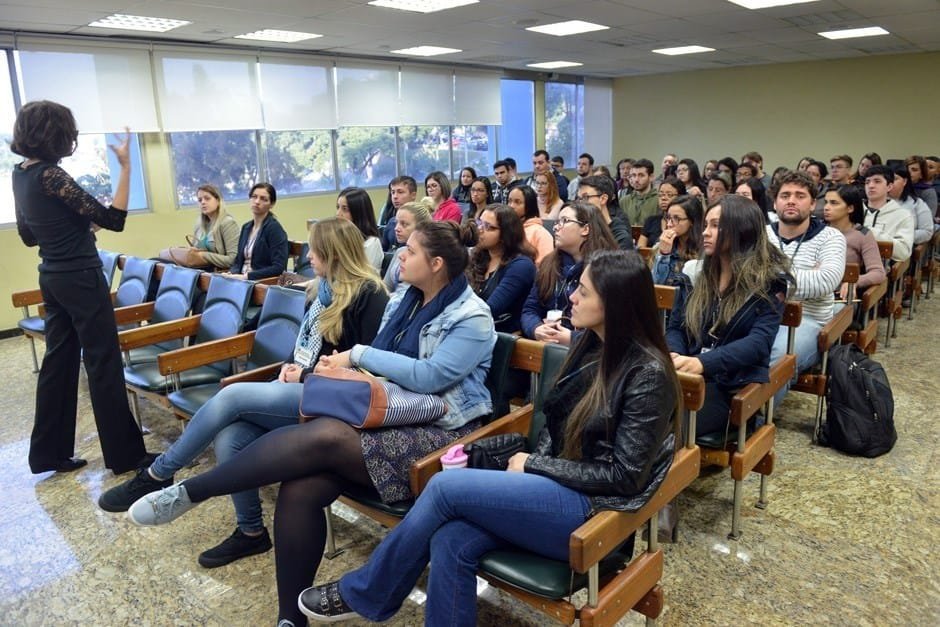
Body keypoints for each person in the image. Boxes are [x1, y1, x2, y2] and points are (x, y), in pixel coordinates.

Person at [126, 221, 497, 627]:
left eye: (410, 251)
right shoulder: (403, 301)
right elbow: (384, 374)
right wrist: (345, 370)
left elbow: (430, 378)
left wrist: (357, 355)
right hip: (387, 416)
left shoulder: (473, 316)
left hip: (441, 437)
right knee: (299, 488)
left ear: (437, 263)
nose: (400, 257)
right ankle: (290, 620)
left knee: (325, 435)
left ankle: (192, 490)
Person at [295, 249, 680, 626]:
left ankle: (367, 592)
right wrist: (535, 470)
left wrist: (534, 465)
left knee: (444, 488)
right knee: (450, 539)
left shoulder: (647, 373)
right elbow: (557, 424)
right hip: (558, 489)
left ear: (615, 304)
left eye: (584, 291)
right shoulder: (590, 346)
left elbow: (625, 476)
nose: (572, 298)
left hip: (594, 511)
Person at [98, 218, 389, 566]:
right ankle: (251, 532)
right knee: (231, 437)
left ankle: (158, 474)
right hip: (299, 386)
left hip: (331, 400)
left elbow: (366, 368)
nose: (309, 256)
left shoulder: (370, 295)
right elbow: (302, 348)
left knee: (232, 397)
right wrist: (289, 369)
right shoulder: (321, 289)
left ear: (335, 254)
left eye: (315, 250)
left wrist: (305, 374)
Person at [12, 100, 149, 475]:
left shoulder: (20, 174)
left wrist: (74, 228)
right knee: (103, 362)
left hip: (51, 277)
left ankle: (48, 454)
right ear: (56, 135)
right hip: (82, 278)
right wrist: (126, 166)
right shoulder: (51, 175)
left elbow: (29, 235)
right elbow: (113, 219)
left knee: (58, 363)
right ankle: (126, 456)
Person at [667, 195, 791, 438]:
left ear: (741, 230)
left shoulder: (769, 283)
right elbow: (676, 327)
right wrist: (675, 354)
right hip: (686, 374)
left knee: (663, 426)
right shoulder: (695, 272)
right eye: (706, 225)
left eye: (716, 226)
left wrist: (704, 363)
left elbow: (758, 343)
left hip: (730, 385)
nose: (705, 232)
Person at [767, 171, 846, 399]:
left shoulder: (831, 237)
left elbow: (825, 280)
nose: (791, 200)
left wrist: (770, 278)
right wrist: (804, 275)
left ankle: (756, 416)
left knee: (778, 357)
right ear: (775, 203)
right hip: (760, 314)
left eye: (800, 196)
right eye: (785, 195)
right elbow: (743, 275)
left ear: (812, 204)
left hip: (807, 321)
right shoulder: (761, 234)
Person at [521, 201, 618, 346]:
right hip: (548, 345)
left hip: (592, 352)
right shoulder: (549, 263)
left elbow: (614, 327)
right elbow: (530, 309)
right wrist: (536, 328)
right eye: (557, 222)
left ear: (585, 229)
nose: (555, 227)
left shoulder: (608, 268)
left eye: (564, 221)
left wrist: (572, 338)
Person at [469, 204, 537, 333]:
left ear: (506, 234)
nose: (480, 230)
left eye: (488, 227)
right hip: (474, 329)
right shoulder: (477, 257)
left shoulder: (521, 266)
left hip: (504, 336)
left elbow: (491, 309)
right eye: (479, 223)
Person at [822, 185, 886, 299]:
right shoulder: (817, 230)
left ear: (850, 208)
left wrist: (855, 281)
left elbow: (878, 273)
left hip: (840, 295)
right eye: (826, 202)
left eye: (834, 203)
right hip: (812, 290)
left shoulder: (862, 234)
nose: (826, 207)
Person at [225, 183, 288, 281]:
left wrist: (246, 277)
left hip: (260, 282)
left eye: (263, 199)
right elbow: (238, 261)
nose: (257, 202)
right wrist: (231, 273)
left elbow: (279, 267)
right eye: (254, 197)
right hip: (241, 279)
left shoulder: (274, 229)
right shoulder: (246, 227)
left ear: (271, 204)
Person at [863, 165, 914, 262]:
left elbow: (904, 252)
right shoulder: (852, 211)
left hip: (883, 267)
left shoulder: (903, 215)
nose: (871, 186)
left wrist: (869, 232)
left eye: (877, 181)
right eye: (867, 182)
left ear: (889, 186)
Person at [652, 194, 704, 287]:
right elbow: (657, 285)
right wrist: (664, 255)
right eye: (668, 217)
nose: (669, 224)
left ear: (692, 221)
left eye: (676, 218)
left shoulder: (704, 249)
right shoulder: (661, 245)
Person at [384, 199, 433, 294]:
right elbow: (386, 286)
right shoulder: (400, 252)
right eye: (397, 223)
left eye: (404, 224)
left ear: (421, 227)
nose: (396, 228)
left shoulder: (424, 257)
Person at [188, 184, 240, 270]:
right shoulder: (199, 225)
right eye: (200, 200)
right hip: (201, 271)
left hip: (220, 273)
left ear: (218, 201)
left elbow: (233, 259)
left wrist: (203, 255)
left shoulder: (228, 223)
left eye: (207, 198)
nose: (203, 202)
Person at [576, 174, 634, 250]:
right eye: (578, 199)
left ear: (603, 199)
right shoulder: (580, 227)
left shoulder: (620, 237)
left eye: (585, 197)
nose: (580, 203)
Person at [335, 186, 383, 271]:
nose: (338, 213)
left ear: (358, 213)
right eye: (338, 207)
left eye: (345, 209)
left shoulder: (372, 243)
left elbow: (365, 275)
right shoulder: (338, 238)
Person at [507, 184, 554, 265]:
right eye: (509, 201)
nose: (511, 206)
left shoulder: (540, 233)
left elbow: (545, 267)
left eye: (517, 202)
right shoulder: (505, 228)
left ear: (529, 205)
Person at [887, 164, 933, 246]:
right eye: (887, 179)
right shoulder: (877, 202)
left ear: (905, 181)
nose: (890, 182)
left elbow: (927, 232)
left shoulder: (917, 204)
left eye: (895, 179)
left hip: (905, 247)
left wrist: (899, 236)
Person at [638, 176, 686, 248]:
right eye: (660, 195)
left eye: (669, 195)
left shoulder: (683, 223)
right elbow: (641, 249)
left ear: (681, 197)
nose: (663, 198)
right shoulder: (651, 221)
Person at [380, 175, 418, 252]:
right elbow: (383, 251)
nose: (395, 196)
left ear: (413, 195)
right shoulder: (391, 222)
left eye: (400, 192)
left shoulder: (420, 221)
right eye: (393, 192)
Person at [621, 158, 658, 225]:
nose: (636, 180)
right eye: (634, 175)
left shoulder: (659, 200)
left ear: (651, 177)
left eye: (641, 175)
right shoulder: (624, 201)